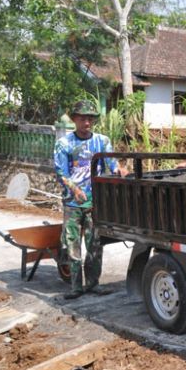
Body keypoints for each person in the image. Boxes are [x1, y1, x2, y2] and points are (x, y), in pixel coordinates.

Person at [54, 100, 127, 300]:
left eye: (90, 118)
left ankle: (93, 283)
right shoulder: (64, 143)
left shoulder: (101, 141)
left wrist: (119, 169)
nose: (87, 122)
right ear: (74, 119)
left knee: (95, 244)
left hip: (95, 202)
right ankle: (76, 286)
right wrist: (75, 189)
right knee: (73, 246)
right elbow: (61, 172)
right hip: (72, 203)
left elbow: (111, 163)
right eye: (82, 118)